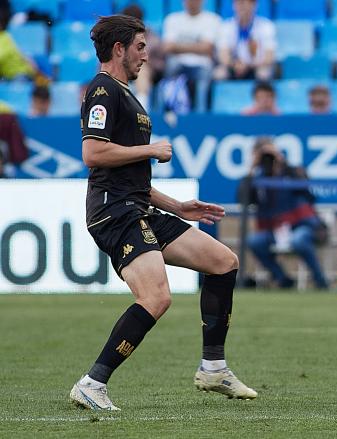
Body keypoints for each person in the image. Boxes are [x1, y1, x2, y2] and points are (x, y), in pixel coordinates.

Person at [69, 14, 257, 411]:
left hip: (137, 205)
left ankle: (213, 367)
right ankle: (92, 382)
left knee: (222, 262)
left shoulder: (126, 94)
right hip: (114, 212)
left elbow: (130, 176)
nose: (145, 54)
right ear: (118, 49)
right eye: (139, 46)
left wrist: (178, 206)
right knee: (156, 296)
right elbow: (92, 153)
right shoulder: (103, 90)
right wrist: (150, 150)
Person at [240, 137, 329, 289]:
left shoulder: (292, 171)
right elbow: (243, 199)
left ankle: (320, 281)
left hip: (300, 225)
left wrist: (283, 164)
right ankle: (283, 279)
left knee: (299, 240)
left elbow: (310, 195)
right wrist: (252, 169)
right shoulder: (258, 178)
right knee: (254, 241)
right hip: (273, 230)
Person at [162, 0, 222, 111]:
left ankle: (200, 113)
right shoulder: (172, 19)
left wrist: (178, 47)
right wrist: (198, 47)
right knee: (170, 67)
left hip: (202, 63)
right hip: (177, 62)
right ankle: (168, 111)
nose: (192, 2)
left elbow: (208, 48)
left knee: (205, 74)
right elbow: (167, 47)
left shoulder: (212, 19)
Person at [215, 0, 276, 81]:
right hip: (233, 67)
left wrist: (249, 65)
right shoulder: (226, 26)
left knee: (263, 73)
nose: (243, 7)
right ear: (234, 5)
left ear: (255, 5)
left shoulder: (266, 26)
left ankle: (261, 93)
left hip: (256, 66)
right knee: (219, 73)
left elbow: (269, 57)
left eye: (246, 3)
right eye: (239, 3)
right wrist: (234, 64)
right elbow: (223, 55)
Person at [121, 4, 166, 111]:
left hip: (148, 74)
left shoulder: (152, 38)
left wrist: (145, 61)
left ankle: (140, 108)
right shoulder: (116, 38)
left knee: (142, 68)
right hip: (123, 71)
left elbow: (162, 65)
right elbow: (105, 62)